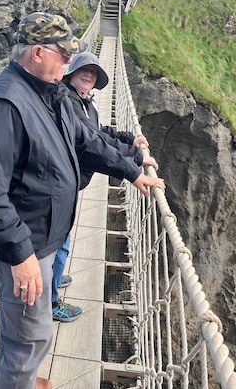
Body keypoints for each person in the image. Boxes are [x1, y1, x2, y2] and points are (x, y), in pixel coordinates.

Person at [0, 11, 165, 389]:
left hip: (44, 235)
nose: (70, 61)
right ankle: (16, 379)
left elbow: (87, 142)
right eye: (63, 53)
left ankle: (9, 378)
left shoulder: (49, 94)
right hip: (26, 244)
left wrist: (131, 167)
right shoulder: (5, 106)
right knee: (31, 334)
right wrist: (21, 255)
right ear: (38, 52)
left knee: (19, 327)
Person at [51, 52, 160, 320]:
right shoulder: (67, 100)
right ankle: (50, 300)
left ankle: (54, 276)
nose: (89, 75)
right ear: (70, 72)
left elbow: (100, 133)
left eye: (94, 73)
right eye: (84, 70)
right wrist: (133, 168)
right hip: (58, 180)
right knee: (57, 239)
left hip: (67, 179)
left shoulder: (86, 102)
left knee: (60, 238)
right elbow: (90, 145)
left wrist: (130, 139)